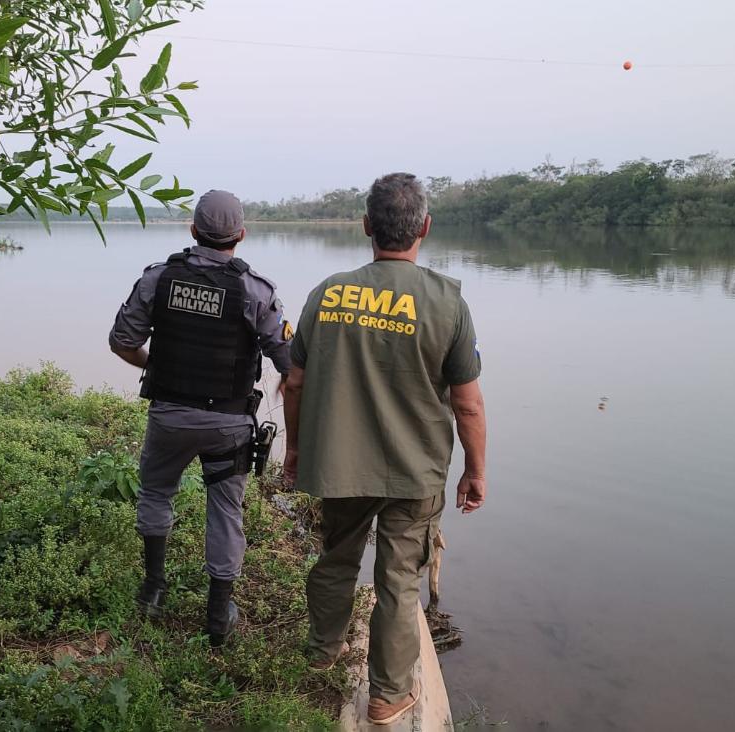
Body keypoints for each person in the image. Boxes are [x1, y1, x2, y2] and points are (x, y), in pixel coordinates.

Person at [283, 173, 487, 725]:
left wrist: (296, 451)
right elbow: (467, 404)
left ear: (367, 226)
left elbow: (295, 383)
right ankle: (388, 694)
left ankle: (322, 653)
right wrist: (476, 471)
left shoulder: (327, 292)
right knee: (398, 578)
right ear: (424, 227)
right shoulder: (447, 301)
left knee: (337, 556)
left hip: (338, 461)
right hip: (415, 469)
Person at [109, 189, 293, 648]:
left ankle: (153, 590)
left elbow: (122, 342)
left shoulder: (158, 278)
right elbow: (289, 361)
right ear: (241, 236)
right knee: (226, 512)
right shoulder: (257, 290)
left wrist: (157, 367)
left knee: (155, 493)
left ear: (193, 230)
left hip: (168, 416)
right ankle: (217, 616)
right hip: (228, 424)